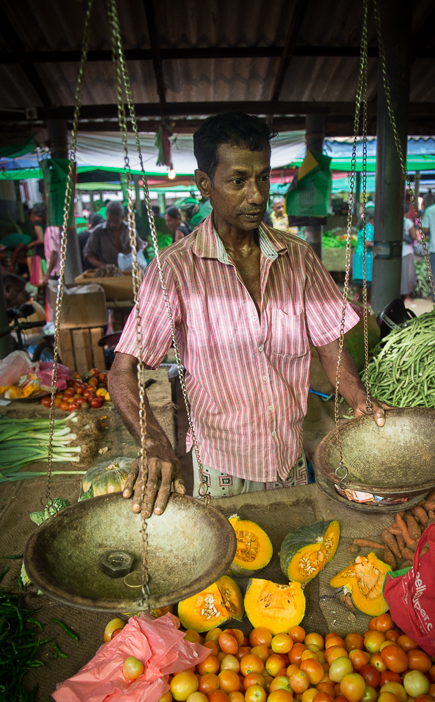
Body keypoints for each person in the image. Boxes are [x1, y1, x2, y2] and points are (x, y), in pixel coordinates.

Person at [108, 111, 388, 518]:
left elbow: (330, 346)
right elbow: (123, 371)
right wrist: (153, 439)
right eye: (238, 180)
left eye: (262, 177)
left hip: (291, 461)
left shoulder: (298, 258)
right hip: (221, 469)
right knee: (230, 571)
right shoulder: (175, 270)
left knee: (291, 563)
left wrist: (358, 398)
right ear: (205, 184)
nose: (256, 195)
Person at [83, 201, 145, 268]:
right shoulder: (98, 232)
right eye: (109, 220)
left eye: (116, 222)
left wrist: (142, 246)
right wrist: (101, 265)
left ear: (122, 218)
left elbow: (139, 247)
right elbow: (88, 253)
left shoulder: (130, 229)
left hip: (129, 270)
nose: (112, 224)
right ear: (107, 215)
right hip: (109, 273)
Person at [352, 209, 374, 293]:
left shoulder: (361, 226)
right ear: (372, 218)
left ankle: (359, 300)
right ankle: (368, 300)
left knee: (359, 278)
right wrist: (377, 246)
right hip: (366, 255)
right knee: (367, 278)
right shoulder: (369, 227)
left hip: (358, 253)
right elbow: (368, 243)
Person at [402, 211, 418, 300]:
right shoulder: (408, 222)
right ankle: (407, 295)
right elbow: (414, 236)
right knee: (407, 274)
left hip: (400, 250)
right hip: (407, 250)